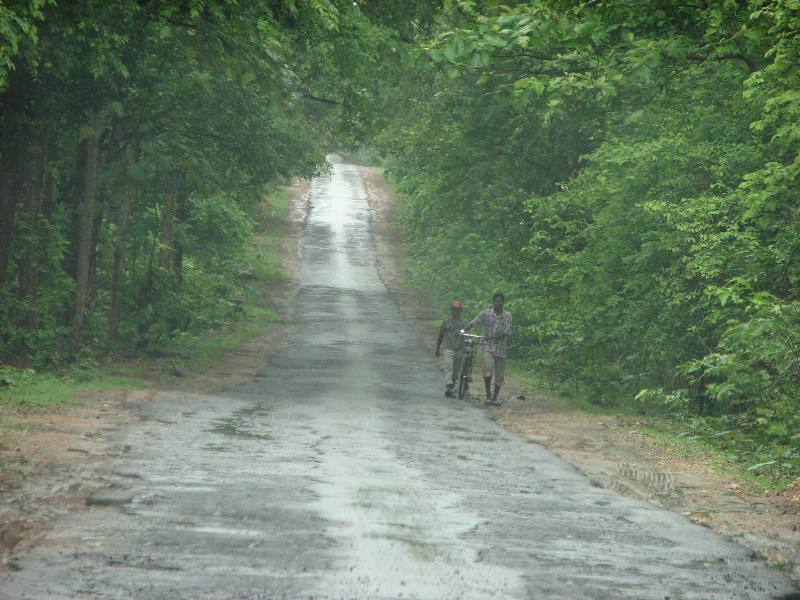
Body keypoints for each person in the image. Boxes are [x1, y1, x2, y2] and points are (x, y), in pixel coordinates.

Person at [463, 292, 512, 405]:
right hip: (487, 347)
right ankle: (488, 395)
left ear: (503, 302)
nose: (498, 303)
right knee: (487, 369)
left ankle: (495, 397)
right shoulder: (486, 313)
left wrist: (493, 337)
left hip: (501, 348)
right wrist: (464, 330)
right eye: (496, 301)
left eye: (500, 301)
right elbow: (474, 322)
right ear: (493, 302)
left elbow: (507, 332)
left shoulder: (508, 315)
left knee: (499, 374)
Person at [435, 300, 468, 397]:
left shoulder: (464, 323)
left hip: (459, 348)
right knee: (449, 367)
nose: (455, 312)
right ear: (451, 310)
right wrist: (437, 348)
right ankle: (449, 384)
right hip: (448, 347)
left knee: (456, 371)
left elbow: (468, 334)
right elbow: (440, 335)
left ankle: (450, 388)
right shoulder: (446, 322)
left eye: (457, 310)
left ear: (460, 311)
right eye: (454, 310)